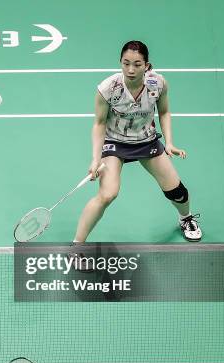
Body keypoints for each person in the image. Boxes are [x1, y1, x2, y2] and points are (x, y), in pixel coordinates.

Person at [74, 41, 201, 242]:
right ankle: (77, 246)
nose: (130, 69)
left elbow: (165, 112)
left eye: (137, 64)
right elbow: (99, 124)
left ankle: (185, 218)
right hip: (115, 142)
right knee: (107, 194)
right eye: (126, 63)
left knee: (178, 192)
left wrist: (169, 143)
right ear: (120, 63)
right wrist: (95, 159)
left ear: (147, 65)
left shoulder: (158, 83)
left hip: (146, 141)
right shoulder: (108, 88)